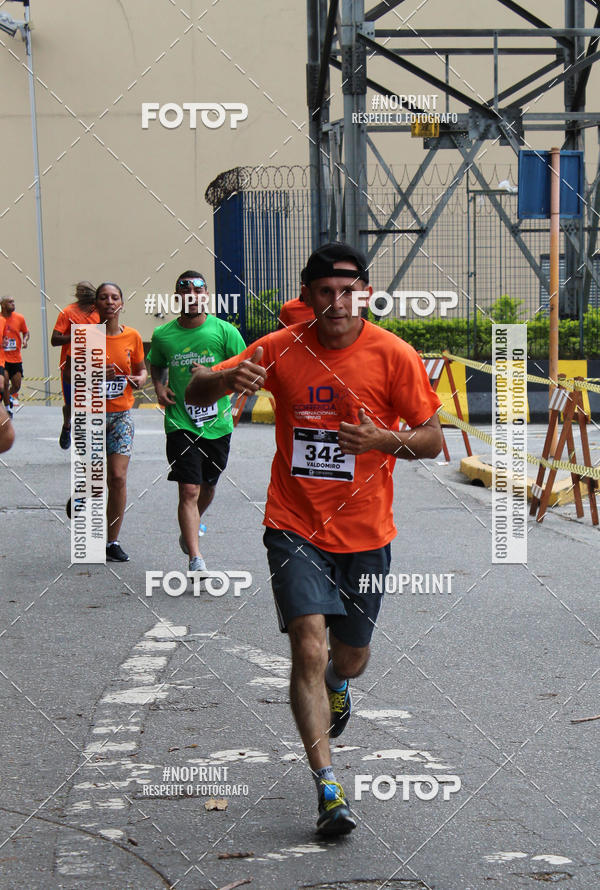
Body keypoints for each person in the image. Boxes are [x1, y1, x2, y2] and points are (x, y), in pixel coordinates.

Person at [185, 242, 443, 836]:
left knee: (349, 656)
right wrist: (224, 376)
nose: (337, 303)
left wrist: (381, 441)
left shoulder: (393, 356)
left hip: (366, 532)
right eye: (325, 292)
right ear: (308, 298)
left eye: (348, 291)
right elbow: (198, 389)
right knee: (307, 645)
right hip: (294, 524)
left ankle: (339, 684)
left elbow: (432, 439)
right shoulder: (281, 349)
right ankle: (328, 788)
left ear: (365, 294)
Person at [147, 270, 246, 574]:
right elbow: (157, 364)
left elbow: (247, 369)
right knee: (188, 489)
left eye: (198, 291)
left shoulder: (224, 331)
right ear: (178, 297)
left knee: (208, 485)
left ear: (206, 296)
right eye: (185, 291)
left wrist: (237, 407)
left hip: (217, 424)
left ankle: (192, 522)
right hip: (181, 422)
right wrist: (160, 387)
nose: (192, 296)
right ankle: (195, 557)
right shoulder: (164, 334)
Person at [95, 282, 147, 562]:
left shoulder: (133, 336)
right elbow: (69, 379)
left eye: (115, 297)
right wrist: (98, 374)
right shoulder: (86, 337)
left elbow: (141, 371)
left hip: (121, 415)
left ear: (122, 303)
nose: (110, 302)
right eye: (104, 298)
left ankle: (111, 542)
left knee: (117, 477)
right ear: (97, 304)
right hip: (90, 416)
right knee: (91, 480)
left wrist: (139, 379)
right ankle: (89, 538)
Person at [51, 282, 99, 449]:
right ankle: (67, 425)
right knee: (71, 404)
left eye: (86, 290)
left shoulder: (99, 311)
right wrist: (76, 335)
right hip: (70, 365)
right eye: (80, 290)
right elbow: (54, 340)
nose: (83, 293)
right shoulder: (68, 312)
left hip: (94, 364)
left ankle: (89, 439)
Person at [1, 296, 29, 410]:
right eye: (10, 302)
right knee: (6, 383)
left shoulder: (19, 318)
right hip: (2, 358)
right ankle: (8, 409)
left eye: (13, 301)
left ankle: (7, 398)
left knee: (16, 386)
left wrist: (25, 340)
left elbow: (26, 332)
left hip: (16, 358)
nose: (13, 304)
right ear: (3, 305)